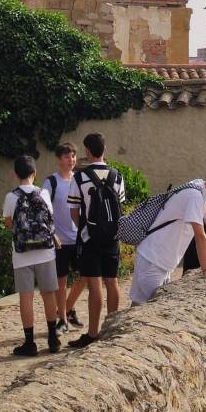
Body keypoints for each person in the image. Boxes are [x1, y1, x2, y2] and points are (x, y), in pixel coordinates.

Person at [130, 163, 206, 305]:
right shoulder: (195, 196)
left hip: (160, 259)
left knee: (143, 305)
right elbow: (200, 236)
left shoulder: (204, 194)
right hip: (153, 259)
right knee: (143, 307)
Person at [67, 133, 125, 349]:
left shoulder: (79, 177)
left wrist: (85, 228)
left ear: (87, 151)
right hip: (113, 236)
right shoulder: (117, 176)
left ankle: (92, 333)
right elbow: (119, 205)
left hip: (90, 237)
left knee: (94, 284)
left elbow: (74, 210)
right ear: (104, 150)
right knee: (112, 281)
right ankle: (112, 330)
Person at [1, 155, 60, 356]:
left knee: (26, 297)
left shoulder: (11, 197)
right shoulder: (44, 193)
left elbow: (8, 223)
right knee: (48, 294)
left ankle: (29, 343)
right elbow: (50, 219)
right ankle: (53, 338)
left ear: (15, 175)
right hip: (46, 252)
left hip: (22, 254)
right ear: (34, 173)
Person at [41, 142, 79, 333]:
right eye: (66, 156)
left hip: (79, 238)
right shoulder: (51, 182)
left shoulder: (79, 179)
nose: (71, 160)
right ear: (58, 159)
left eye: (73, 156)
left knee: (86, 276)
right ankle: (62, 320)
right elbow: (43, 211)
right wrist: (52, 233)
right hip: (59, 241)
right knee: (61, 282)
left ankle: (68, 308)